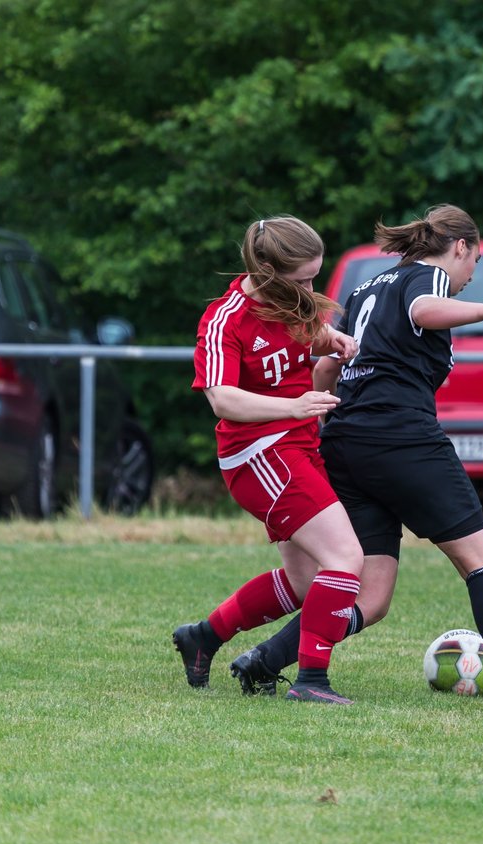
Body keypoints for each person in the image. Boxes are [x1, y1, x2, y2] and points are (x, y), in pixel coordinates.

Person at [229, 204, 483, 707]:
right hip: (404, 441)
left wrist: (322, 429)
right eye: (476, 262)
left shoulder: (367, 288)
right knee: (480, 561)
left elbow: (325, 372)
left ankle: (264, 660)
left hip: (347, 443)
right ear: (461, 247)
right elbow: (425, 310)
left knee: (371, 597)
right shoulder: (428, 276)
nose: (472, 276)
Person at [174, 215, 364, 704]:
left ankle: (204, 637)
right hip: (259, 454)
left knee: (307, 584)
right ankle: (311, 682)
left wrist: (332, 340)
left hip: (297, 446)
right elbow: (222, 399)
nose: (309, 287)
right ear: (263, 265)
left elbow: (301, 339)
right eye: (300, 278)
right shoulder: (225, 319)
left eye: (313, 277)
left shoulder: (289, 300)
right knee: (345, 558)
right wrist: (294, 407)